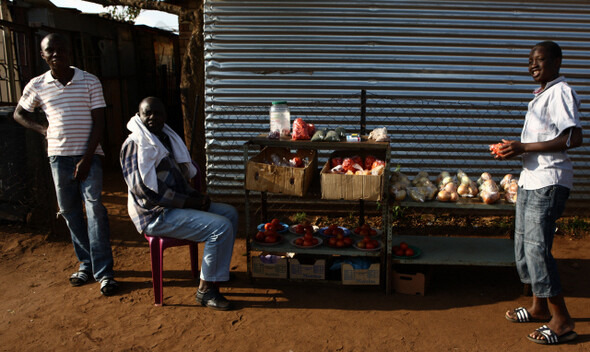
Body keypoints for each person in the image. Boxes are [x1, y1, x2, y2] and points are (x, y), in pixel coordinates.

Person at [13, 33, 118, 296]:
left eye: (61, 49)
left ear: (69, 52)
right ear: (43, 55)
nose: (57, 54)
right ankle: (86, 264)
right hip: (58, 158)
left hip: (89, 156)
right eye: (51, 50)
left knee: (95, 212)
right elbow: (19, 113)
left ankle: (105, 273)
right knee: (70, 212)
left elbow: (99, 124)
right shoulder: (37, 85)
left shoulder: (89, 81)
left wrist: (86, 158)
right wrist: (43, 130)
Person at [498, 41, 582, 345]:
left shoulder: (561, 91)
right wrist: (515, 149)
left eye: (541, 60)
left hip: (550, 180)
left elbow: (573, 137)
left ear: (557, 62)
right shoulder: (542, 95)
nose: (533, 65)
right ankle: (538, 307)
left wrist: (522, 147)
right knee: (523, 245)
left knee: (536, 249)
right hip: (531, 180)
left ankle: (562, 320)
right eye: (530, 61)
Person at [120, 96, 238, 310]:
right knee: (220, 227)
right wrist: (189, 203)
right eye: (148, 113)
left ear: (165, 116)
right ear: (139, 115)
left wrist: (197, 197)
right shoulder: (134, 145)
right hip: (155, 214)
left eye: (158, 113)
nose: (153, 117)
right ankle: (205, 291)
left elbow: (178, 180)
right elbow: (145, 192)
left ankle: (216, 275)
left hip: (175, 207)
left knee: (230, 213)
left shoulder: (164, 139)